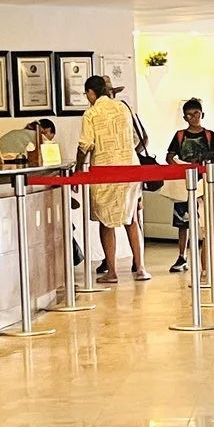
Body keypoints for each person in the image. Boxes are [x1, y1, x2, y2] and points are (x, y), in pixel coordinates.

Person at [77, 76, 147, 283]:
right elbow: (139, 139)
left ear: (91, 93)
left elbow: (85, 144)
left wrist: (79, 166)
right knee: (132, 218)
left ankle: (112, 272)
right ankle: (141, 268)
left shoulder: (91, 113)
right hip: (130, 169)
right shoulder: (124, 108)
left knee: (106, 221)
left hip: (104, 171)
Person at [164, 97, 214, 276]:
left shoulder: (210, 135)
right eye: (189, 115)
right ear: (184, 117)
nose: (193, 118)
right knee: (183, 221)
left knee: (209, 221)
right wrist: (177, 167)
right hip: (184, 183)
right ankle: (182, 256)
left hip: (204, 183)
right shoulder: (179, 136)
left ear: (202, 114)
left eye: (196, 114)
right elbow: (170, 155)